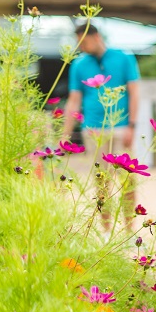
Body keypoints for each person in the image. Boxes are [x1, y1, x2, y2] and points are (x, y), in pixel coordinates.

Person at [62, 22, 141, 229]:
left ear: (97, 37)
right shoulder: (79, 65)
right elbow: (73, 100)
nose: (82, 47)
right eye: (79, 43)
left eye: (85, 42)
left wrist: (132, 125)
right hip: (94, 130)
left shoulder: (124, 58)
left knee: (128, 179)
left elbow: (134, 92)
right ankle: (106, 231)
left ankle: (129, 229)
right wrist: (65, 134)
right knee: (101, 181)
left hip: (122, 126)